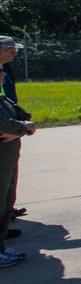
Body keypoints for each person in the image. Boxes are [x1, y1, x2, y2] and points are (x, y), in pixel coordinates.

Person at [0, 76, 36, 267]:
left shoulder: (2, 98)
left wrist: (22, 127)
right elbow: (4, 126)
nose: (3, 75)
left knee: (6, 200)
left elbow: (22, 114)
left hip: (8, 157)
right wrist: (23, 127)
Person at [0, 37, 27, 222]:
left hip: (10, 124)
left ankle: (6, 213)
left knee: (9, 179)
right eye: (10, 48)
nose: (14, 52)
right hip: (4, 128)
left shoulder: (5, 68)